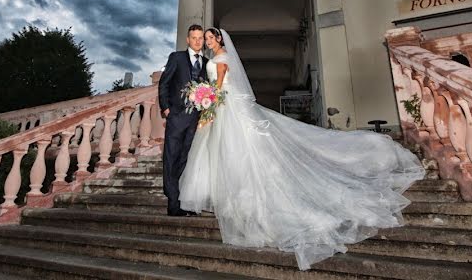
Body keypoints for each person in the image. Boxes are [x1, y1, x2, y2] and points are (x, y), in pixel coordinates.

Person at [179, 28, 425, 270]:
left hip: (227, 108)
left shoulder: (221, 59)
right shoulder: (216, 58)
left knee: (239, 150)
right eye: (206, 39)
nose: (208, 42)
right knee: (229, 151)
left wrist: (208, 109)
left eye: (211, 38)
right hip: (226, 109)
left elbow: (220, 88)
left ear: (219, 39)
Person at [158, 24, 207, 216]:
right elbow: (164, 83)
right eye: (193, 38)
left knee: (186, 160)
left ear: (203, 40)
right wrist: (166, 108)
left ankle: (182, 199)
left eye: (200, 38)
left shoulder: (207, 62)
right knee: (171, 158)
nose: (197, 41)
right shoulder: (176, 57)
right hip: (176, 117)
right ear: (187, 40)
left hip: (195, 120)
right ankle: (172, 203)